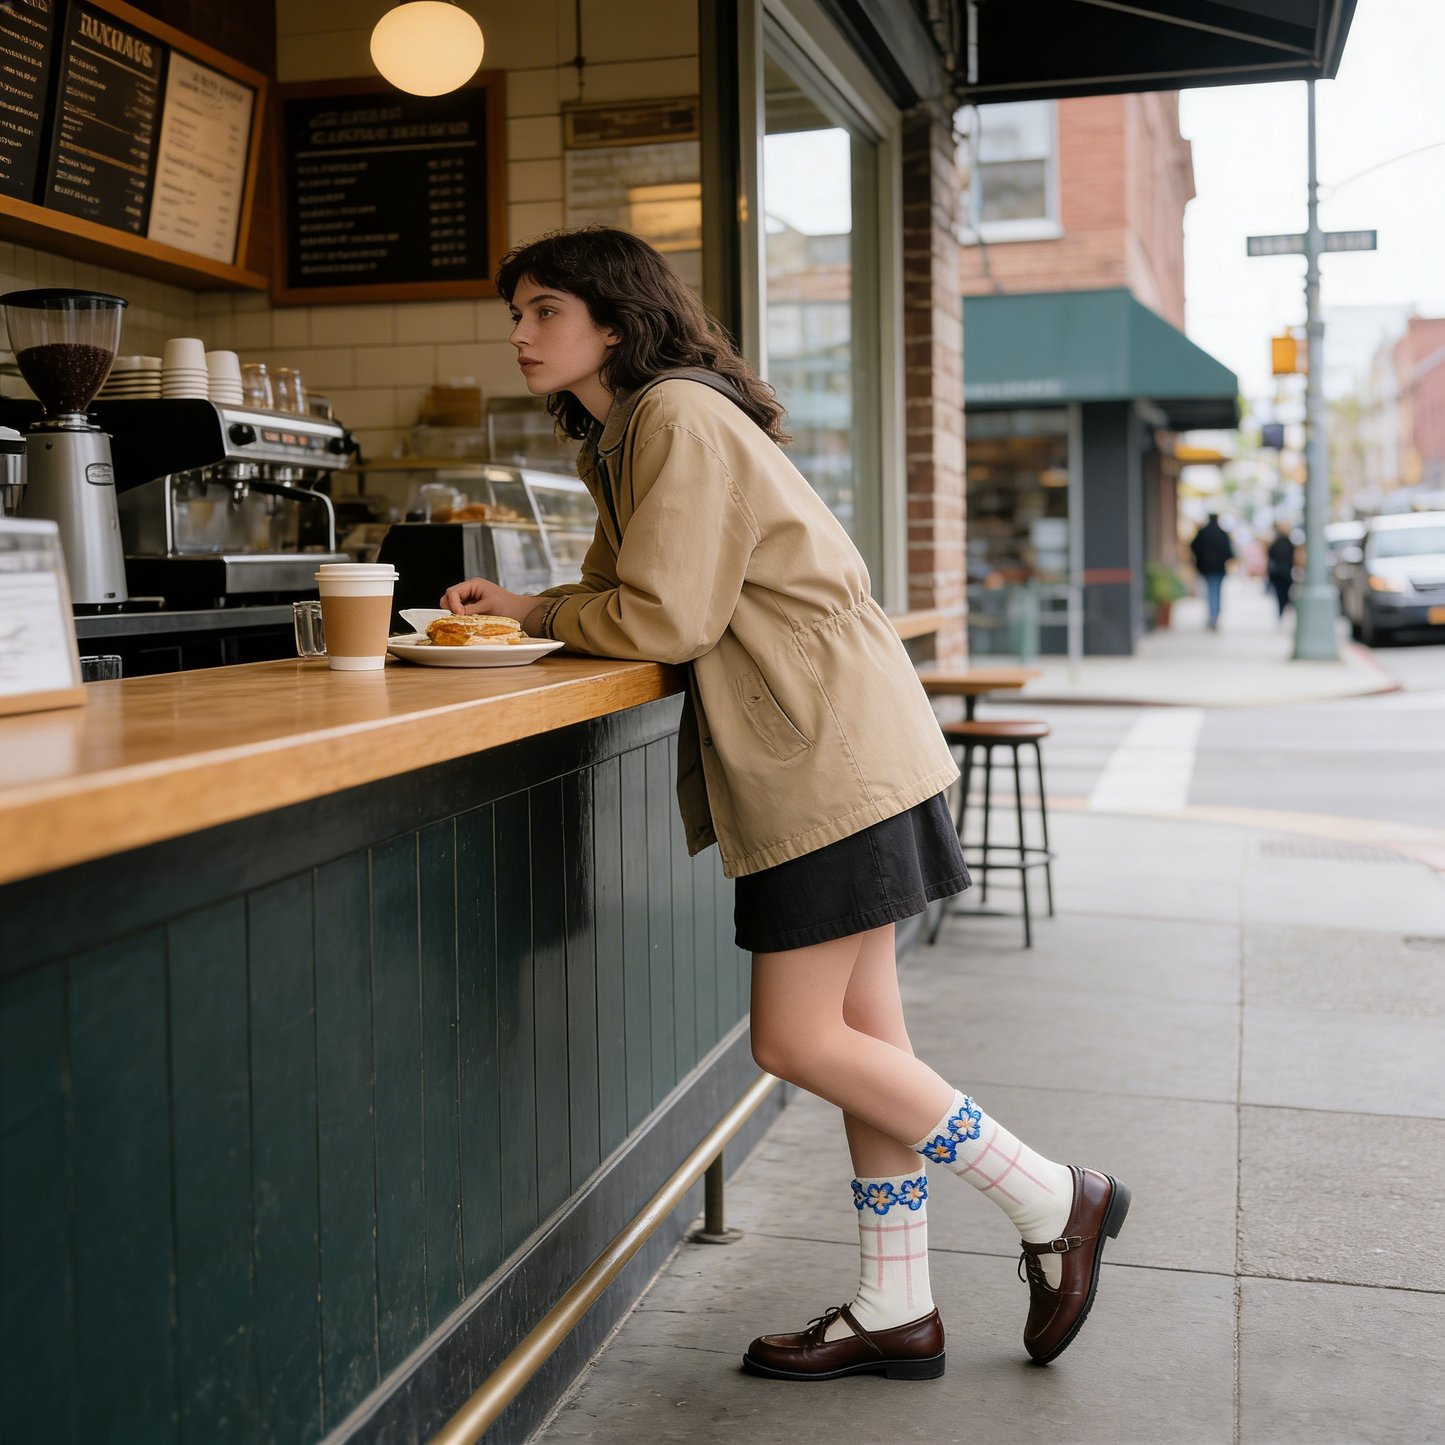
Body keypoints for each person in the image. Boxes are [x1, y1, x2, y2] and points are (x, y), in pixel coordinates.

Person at [442, 227, 1129, 1381]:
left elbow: (662, 619)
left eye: (543, 310)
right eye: (516, 312)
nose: (520, 333)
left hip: (822, 759)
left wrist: (534, 617)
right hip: (841, 745)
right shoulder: (632, 428)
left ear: (612, 321)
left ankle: (1052, 1193)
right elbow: (637, 589)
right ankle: (895, 1301)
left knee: (795, 1036)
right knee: (865, 1041)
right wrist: (536, 601)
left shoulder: (671, 416)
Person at [1190, 513, 1234, 630]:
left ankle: (1212, 615)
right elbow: (1229, 551)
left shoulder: (1203, 532)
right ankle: (1215, 615)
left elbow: (1193, 546)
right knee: (1217, 591)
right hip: (1219, 568)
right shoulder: (1222, 533)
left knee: (1210, 591)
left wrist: (1200, 559)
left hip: (1206, 568)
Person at [1266, 521, 1296, 619]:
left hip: (1278, 573)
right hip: (1282, 572)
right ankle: (1283, 609)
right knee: (1283, 593)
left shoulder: (1277, 541)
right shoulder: (1285, 542)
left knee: (1280, 593)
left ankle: (1282, 610)